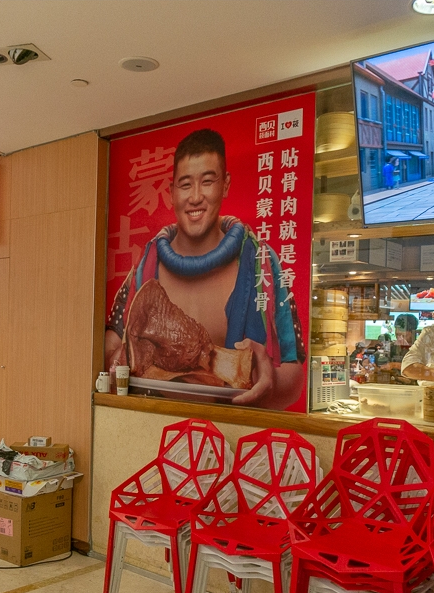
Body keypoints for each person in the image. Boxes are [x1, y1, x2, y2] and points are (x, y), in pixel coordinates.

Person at [104, 128, 304, 409]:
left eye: (207, 181)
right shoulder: (145, 265)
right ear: (172, 192)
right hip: (155, 424)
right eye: (185, 185)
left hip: (231, 430)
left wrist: (269, 379)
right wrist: (118, 361)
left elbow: (295, 372)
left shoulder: (261, 262)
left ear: (225, 185)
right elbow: (110, 344)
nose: (196, 196)